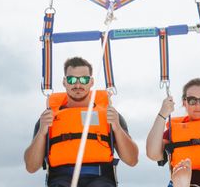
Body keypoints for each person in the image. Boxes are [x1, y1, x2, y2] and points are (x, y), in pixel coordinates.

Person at [24, 57, 139, 187]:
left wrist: (117, 128)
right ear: (64, 82)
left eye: (84, 80)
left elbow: (132, 160)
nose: (78, 85)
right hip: (60, 180)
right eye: (71, 79)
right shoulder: (47, 118)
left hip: (100, 179)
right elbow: (31, 167)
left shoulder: (110, 116)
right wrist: (41, 133)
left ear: (91, 82)